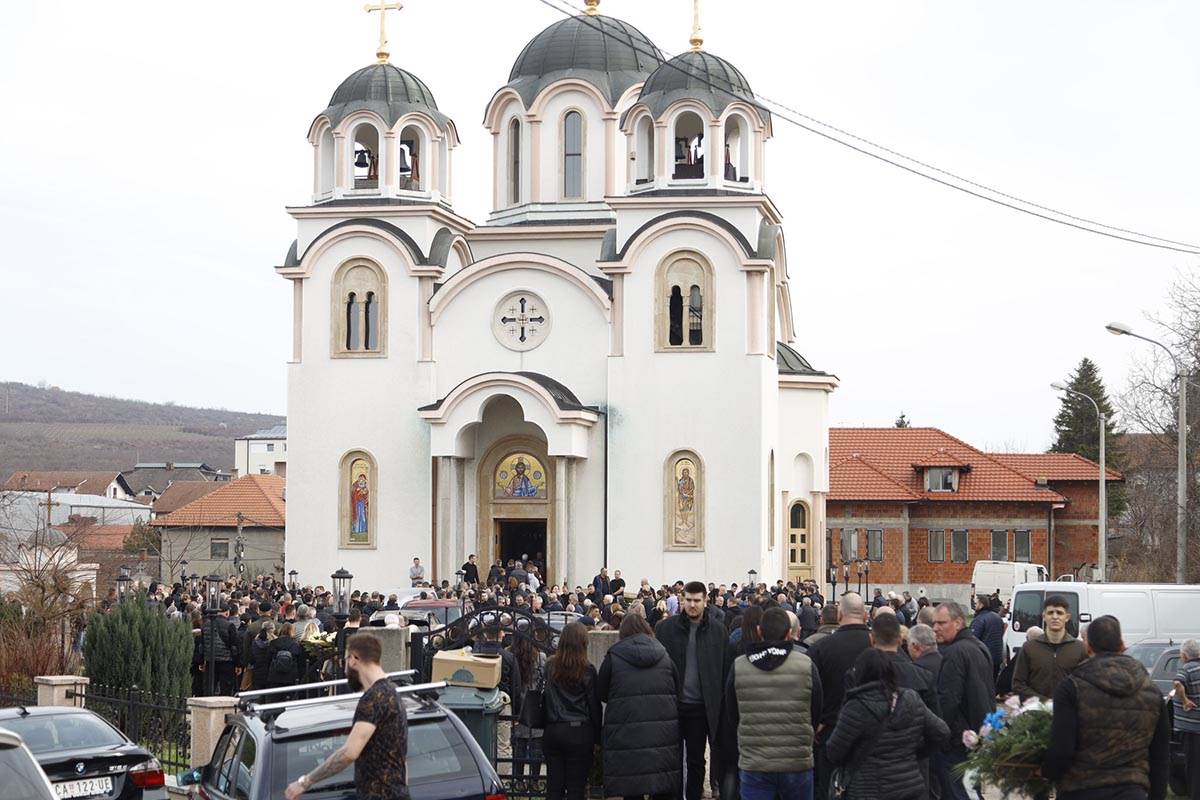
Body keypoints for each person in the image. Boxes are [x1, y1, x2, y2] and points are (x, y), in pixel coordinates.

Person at [1042, 615, 1169, 800]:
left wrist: (1046, 772)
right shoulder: (1152, 691)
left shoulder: (1071, 687)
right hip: (1132, 790)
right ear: (1122, 645)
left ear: (1088, 647)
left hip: (1081, 789)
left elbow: (1062, 748)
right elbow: (1160, 756)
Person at [285, 635, 408, 799]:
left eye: (345, 661)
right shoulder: (393, 693)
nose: (344, 669)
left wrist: (304, 782)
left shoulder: (374, 699)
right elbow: (402, 762)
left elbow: (348, 753)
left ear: (354, 659)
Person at [725, 607, 822, 800]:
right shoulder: (806, 664)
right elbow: (816, 709)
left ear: (760, 631)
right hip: (796, 759)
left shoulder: (739, 665)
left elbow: (732, 712)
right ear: (789, 633)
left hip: (755, 759)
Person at [825, 649, 949, 800]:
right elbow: (941, 732)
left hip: (868, 788)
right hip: (908, 785)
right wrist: (915, 753)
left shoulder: (857, 706)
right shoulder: (910, 698)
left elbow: (834, 752)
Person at [655, 580, 730, 800]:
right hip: (673, 706)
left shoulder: (718, 631)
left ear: (706, 601)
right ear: (681, 600)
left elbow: (725, 670)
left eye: (697, 600)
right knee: (672, 760)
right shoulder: (666, 629)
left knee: (697, 760)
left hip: (702, 708)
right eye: (688, 600)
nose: (692, 605)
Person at [597, 614, 681, 800]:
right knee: (661, 783)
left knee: (631, 786)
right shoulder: (665, 655)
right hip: (661, 734)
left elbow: (601, 693)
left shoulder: (614, 657)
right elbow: (676, 688)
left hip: (626, 733)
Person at [806, 592, 872, 800]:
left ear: (840, 614)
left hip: (829, 730)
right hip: (874, 731)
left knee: (828, 787)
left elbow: (810, 691)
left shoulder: (820, 648)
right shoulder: (878, 646)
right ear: (865, 615)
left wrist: (816, 722)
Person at [932, 601, 998, 800]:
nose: (935, 628)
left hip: (958, 741)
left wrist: (942, 737)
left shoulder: (955, 652)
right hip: (976, 736)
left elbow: (948, 700)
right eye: (934, 623)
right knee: (971, 790)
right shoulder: (979, 646)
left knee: (960, 793)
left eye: (941, 623)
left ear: (958, 623)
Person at [544, 622, 602, 800]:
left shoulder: (551, 666)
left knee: (554, 788)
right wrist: (598, 735)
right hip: (579, 732)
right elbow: (594, 704)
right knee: (576, 789)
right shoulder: (587, 669)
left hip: (554, 729)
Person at [1012, 595, 1087, 701]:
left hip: (1069, 712)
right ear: (1044, 616)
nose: (1055, 617)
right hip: (1036, 714)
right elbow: (1018, 684)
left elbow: (1086, 684)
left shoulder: (1079, 649)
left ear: (1067, 617)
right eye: (1050, 612)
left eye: (1059, 613)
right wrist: (1044, 703)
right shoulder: (1029, 648)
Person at [511, 634, 547, 790]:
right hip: (535, 703)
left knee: (519, 744)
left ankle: (518, 780)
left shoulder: (511, 656)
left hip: (518, 704)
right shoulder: (540, 657)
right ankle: (535, 780)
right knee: (537, 745)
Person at [1173, 639, 1200, 800]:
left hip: (1192, 731)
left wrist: (1184, 701)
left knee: (1195, 770)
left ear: (1184, 655)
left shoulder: (1187, 668)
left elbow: (1177, 684)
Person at [969, 595, 1005, 678]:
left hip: (984, 658)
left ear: (981, 605)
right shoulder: (997, 617)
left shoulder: (979, 619)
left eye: (976, 603)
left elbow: (973, 639)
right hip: (997, 657)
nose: (975, 605)